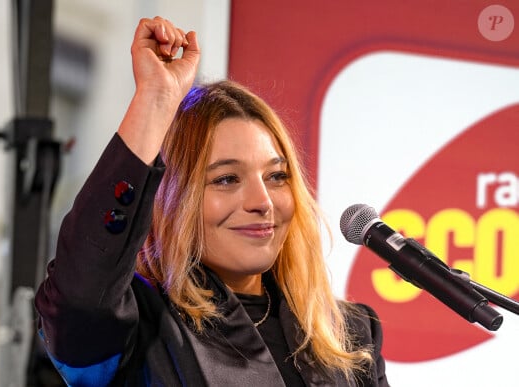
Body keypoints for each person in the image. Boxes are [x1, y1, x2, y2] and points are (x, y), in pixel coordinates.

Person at [35, 16, 390, 387]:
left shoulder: (350, 333)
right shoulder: (137, 321)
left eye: (276, 176)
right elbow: (80, 289)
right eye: (226, 179)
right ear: (172, 200)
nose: (262, 201)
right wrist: (155, 101)